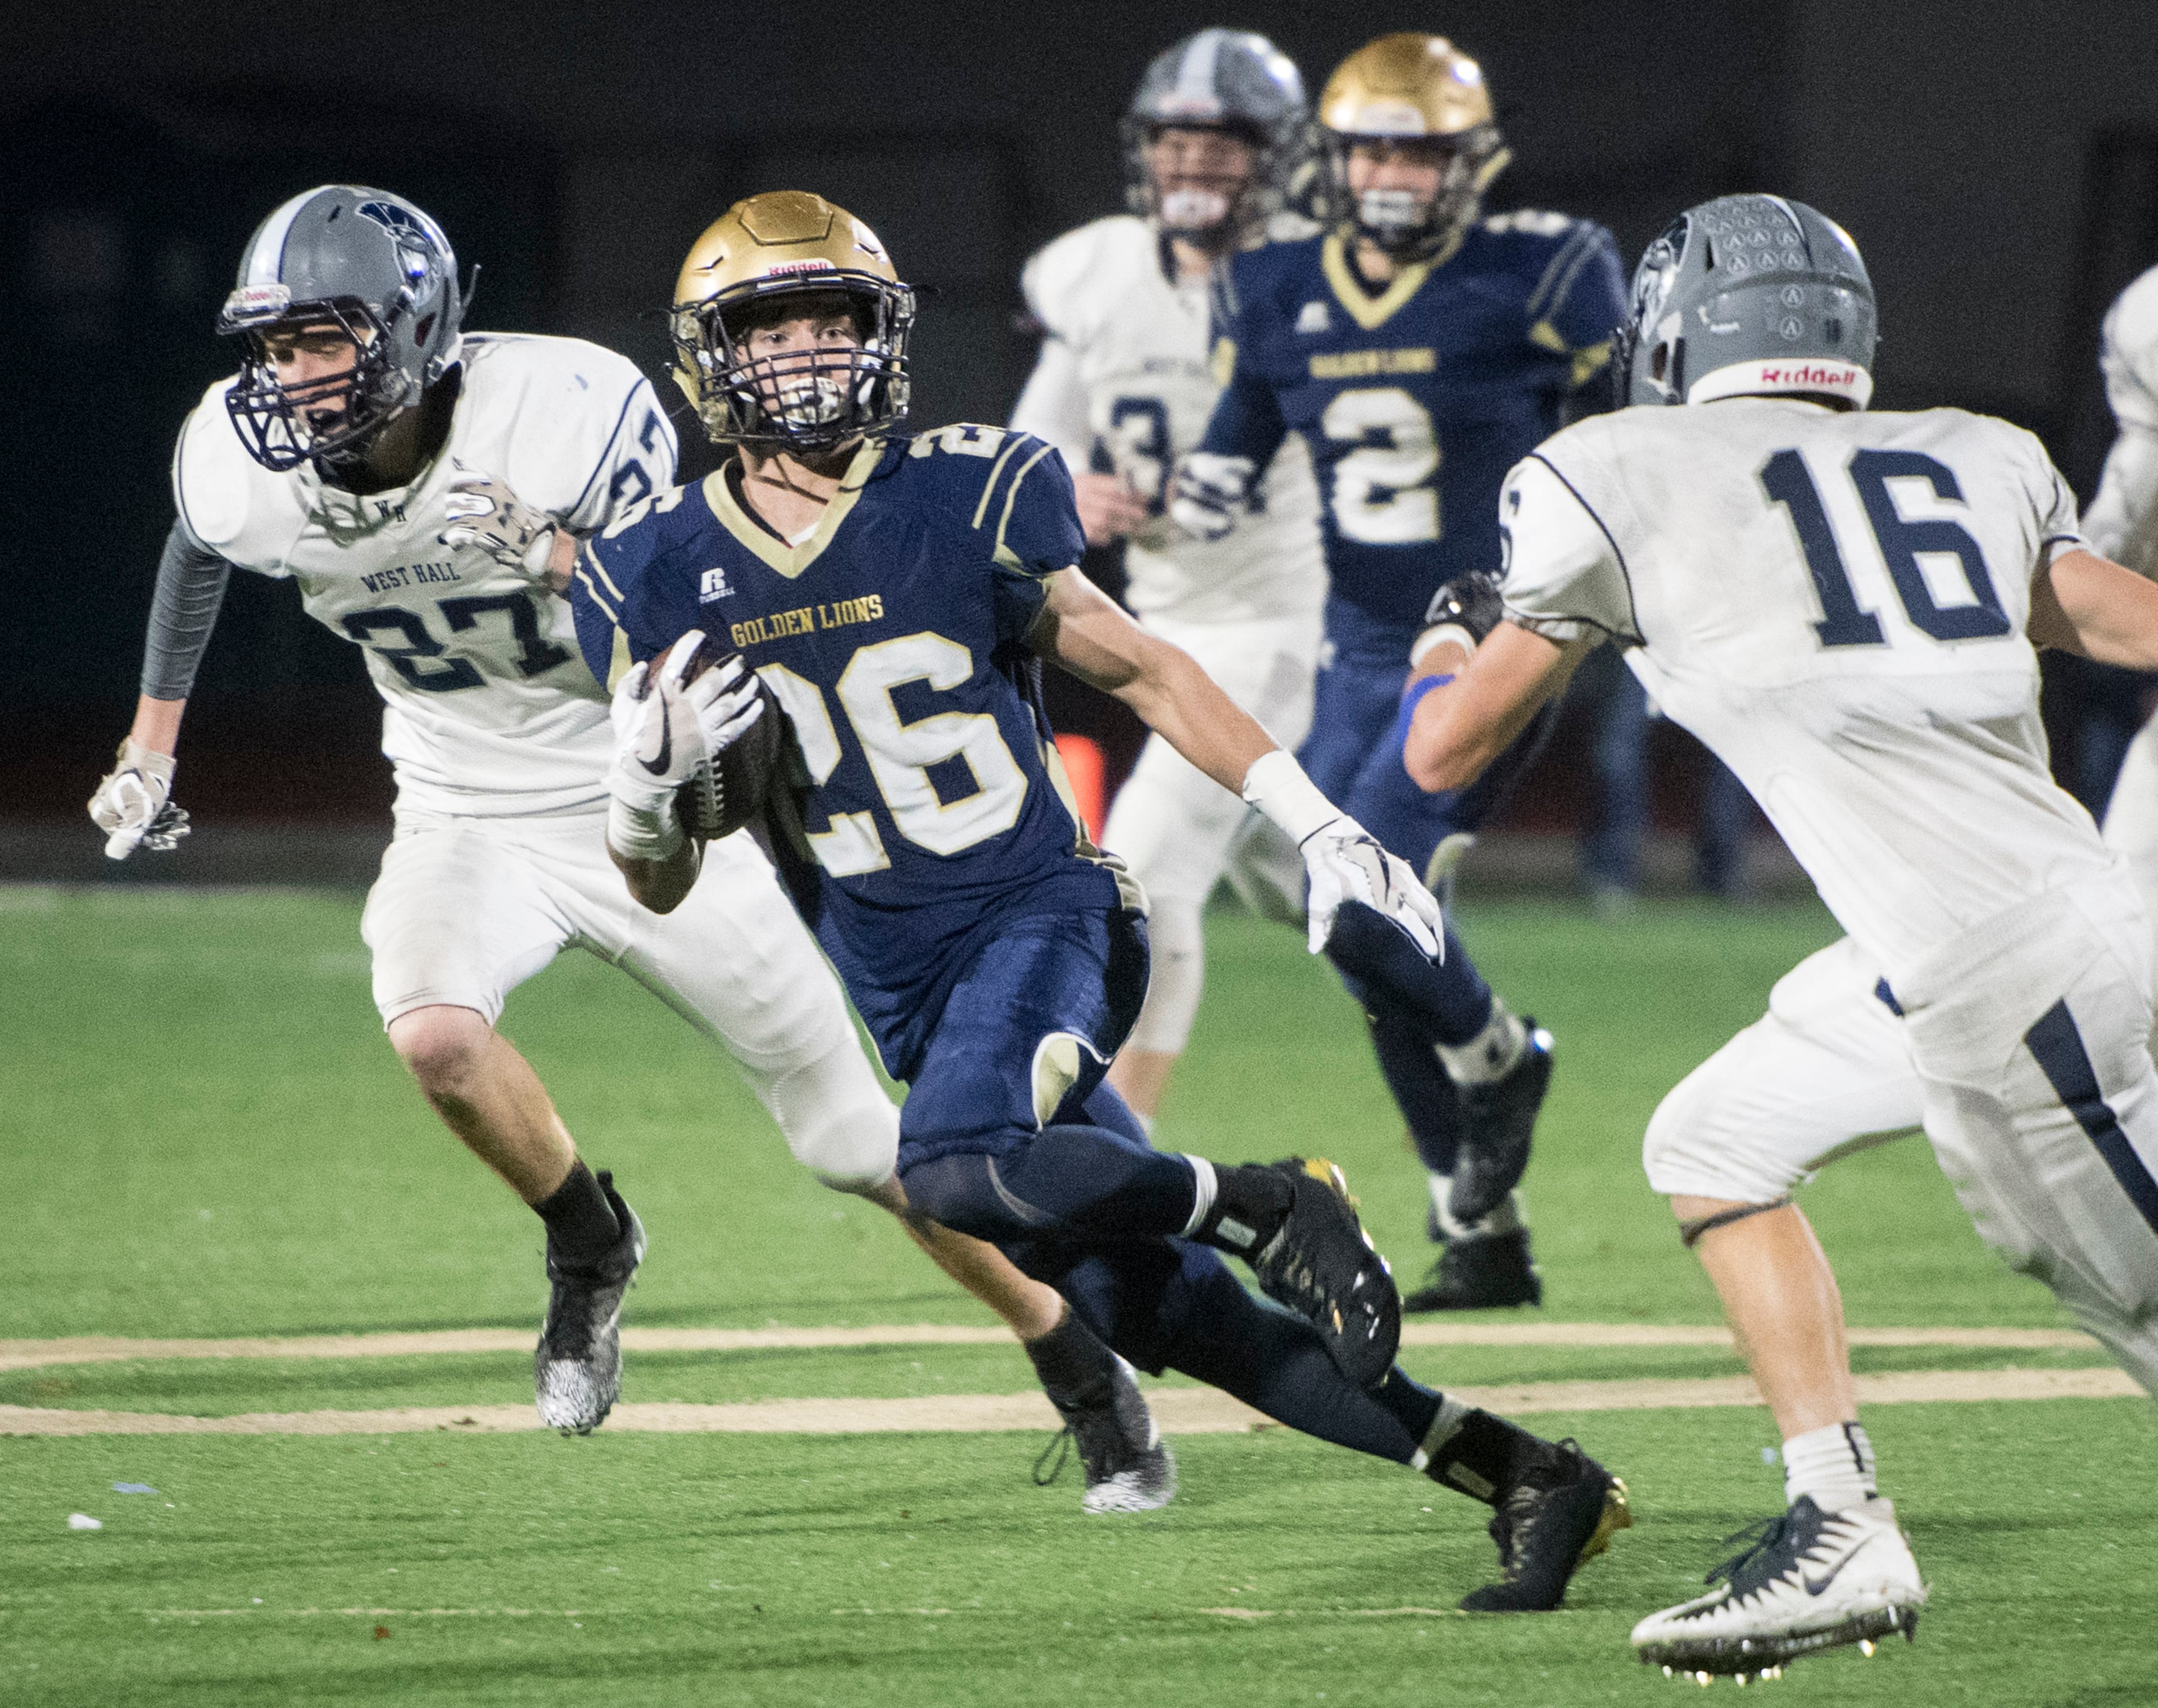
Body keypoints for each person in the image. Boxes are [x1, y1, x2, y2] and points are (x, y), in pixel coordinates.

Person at [568, 188, 1631, 1610]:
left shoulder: (968, 485)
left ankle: (1272, 1197)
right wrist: (644, 797)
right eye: (775, 327)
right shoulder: (646, 572)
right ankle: (1527, 1476)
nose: (812, 354)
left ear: (886, 335)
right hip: (906, 990)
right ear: (715, 356)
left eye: (836, 320)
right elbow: (663, 874)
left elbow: (1142, 668)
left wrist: (1314, 823)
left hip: (1045, 916)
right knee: (1157, 1305)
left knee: (950, 1170)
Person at [84, 187, 1173, 1512]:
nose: (297, 378)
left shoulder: (564, 406)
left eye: (328, 339)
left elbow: (722, 572)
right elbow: (200, 546)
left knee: (859, 1139)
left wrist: (559, 557)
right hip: (463, 800)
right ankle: (589, 1238)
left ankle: (1071, 1352)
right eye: (277, 346)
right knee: (431, 1028)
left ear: (415, 327)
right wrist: (154, 743)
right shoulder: (237, 456)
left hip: (656, 788)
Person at [1402, 193, 2158, 1676]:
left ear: (1681, 336)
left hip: (2014, 985)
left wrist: (1449, 632)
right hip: (2036, 927)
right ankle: (1838, 1519)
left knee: (2134, 1303)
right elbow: (2115, 616)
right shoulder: (1980, 457)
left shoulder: (1616, 467)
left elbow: (1444, 754)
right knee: (1716, 1140)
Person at [1170, 33, 1627, 1310]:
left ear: (1466, 163)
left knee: (1362, 906)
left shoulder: (1545, 270)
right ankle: (1480, 1229)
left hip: (1506, 634)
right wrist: (1161, 492)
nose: (1390, 172)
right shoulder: (1269, 284)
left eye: (1417, 150)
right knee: (1368, 933)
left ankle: (1499, 1059)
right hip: (1360, 646)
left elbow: (1638, 439)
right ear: (1331, 157)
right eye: (1371, 145)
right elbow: (1231, 448)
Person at [1009, 28, 1327, 1130]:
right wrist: (1070, 490)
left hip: (1293, 614)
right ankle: (1474, 1044)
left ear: (1274, 157)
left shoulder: (1317, 274)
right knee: (1322, 888)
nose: (1193, 161)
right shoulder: (1095, 270)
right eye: (1175, 138)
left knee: (1145, 865)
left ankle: (1119, 1153)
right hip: (1170, 616)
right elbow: (1032, 445)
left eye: (1223, 141)